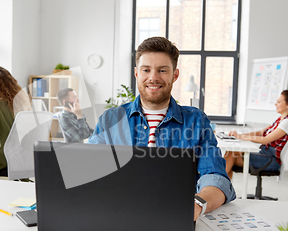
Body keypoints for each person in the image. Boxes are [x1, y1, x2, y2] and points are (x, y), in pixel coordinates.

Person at [88, 36, 235, 221]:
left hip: (175, 216)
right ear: (136, 73)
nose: (153, 77)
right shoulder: (110, 120)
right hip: (119, 214)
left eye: (162, 70)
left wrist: (197, 205)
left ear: (175, 75)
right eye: (146, 70)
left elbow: (215, 177)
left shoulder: (197, 121)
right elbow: (90, 171)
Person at [223, 90, 288, 179]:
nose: (276, 104)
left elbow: (265, 140)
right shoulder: (279, 120)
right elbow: (260, 133)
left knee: (230, 155)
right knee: (230, 152)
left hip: (270, 160)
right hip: (264, 155)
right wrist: (240, 135)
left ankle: (218, 184)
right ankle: (224, 188)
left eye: (279, 102)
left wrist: (241, 136)